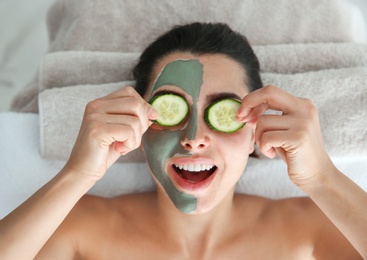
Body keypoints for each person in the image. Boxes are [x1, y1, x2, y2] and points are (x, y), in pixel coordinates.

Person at [0, 22, 366, 259]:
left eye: (222, 113)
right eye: (173, 110)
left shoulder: (306, 231)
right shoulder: (80, 227)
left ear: (255, 129)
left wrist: (323, 179)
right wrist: (77, 174)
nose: (194, 139)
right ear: (140, 125)